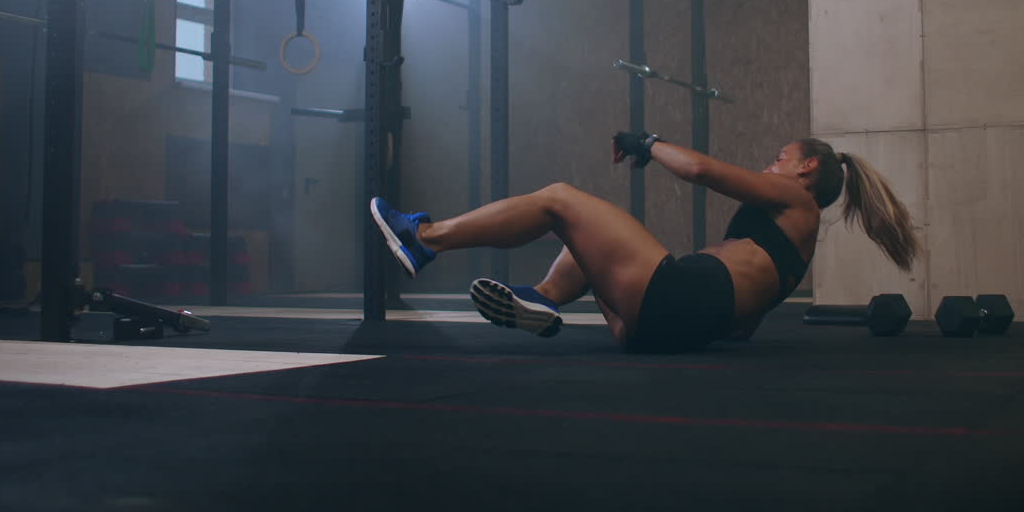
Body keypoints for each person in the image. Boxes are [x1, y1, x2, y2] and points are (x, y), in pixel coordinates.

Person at [370, 132, 921, 354]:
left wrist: (649, 142)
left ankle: (424, 238)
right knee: (587, 233)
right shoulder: (797, 248)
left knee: (561, 200)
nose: (772, 164)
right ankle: (541, 297)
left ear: (808, 167)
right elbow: (744, 325)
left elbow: (701, 170)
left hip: (675, 298)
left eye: (781, 157)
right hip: (661, 331)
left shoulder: (796, 199)